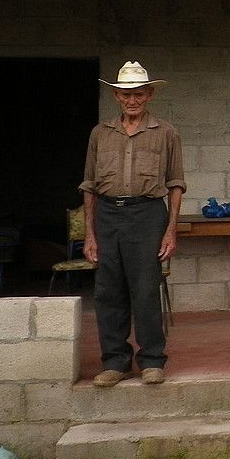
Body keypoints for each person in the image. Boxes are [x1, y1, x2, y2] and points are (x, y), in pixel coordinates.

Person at [79, 61, 185, 388]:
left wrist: (170, 228)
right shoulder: (100, 133)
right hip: (108, 215)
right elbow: (89, 185)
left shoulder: (165, 132)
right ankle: (115, 361)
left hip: (147, 214)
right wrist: (90, 234)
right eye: (125, 94)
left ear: (149, 95)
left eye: (138, 94)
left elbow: (176, 184)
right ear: (115, 96)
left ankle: (152, 360)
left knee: (145, 289)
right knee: (108, 291)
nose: (132, 100)